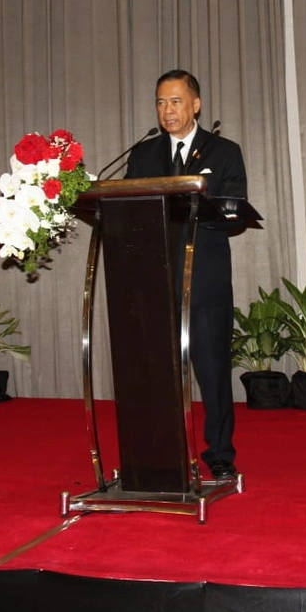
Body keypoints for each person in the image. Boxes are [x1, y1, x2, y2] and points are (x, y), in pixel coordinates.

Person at [125, 69, 247, 481]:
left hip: (205, 280)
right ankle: (161, 450)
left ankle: (220, 453)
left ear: (195, 105)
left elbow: (235, 211)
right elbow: (129, 212)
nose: (167, 110)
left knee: (212, 372)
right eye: (161, 102)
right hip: (155, 279)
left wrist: (201, 205)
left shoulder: (224, 151)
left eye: (176, 101)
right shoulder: (143, 154)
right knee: (155, 376)